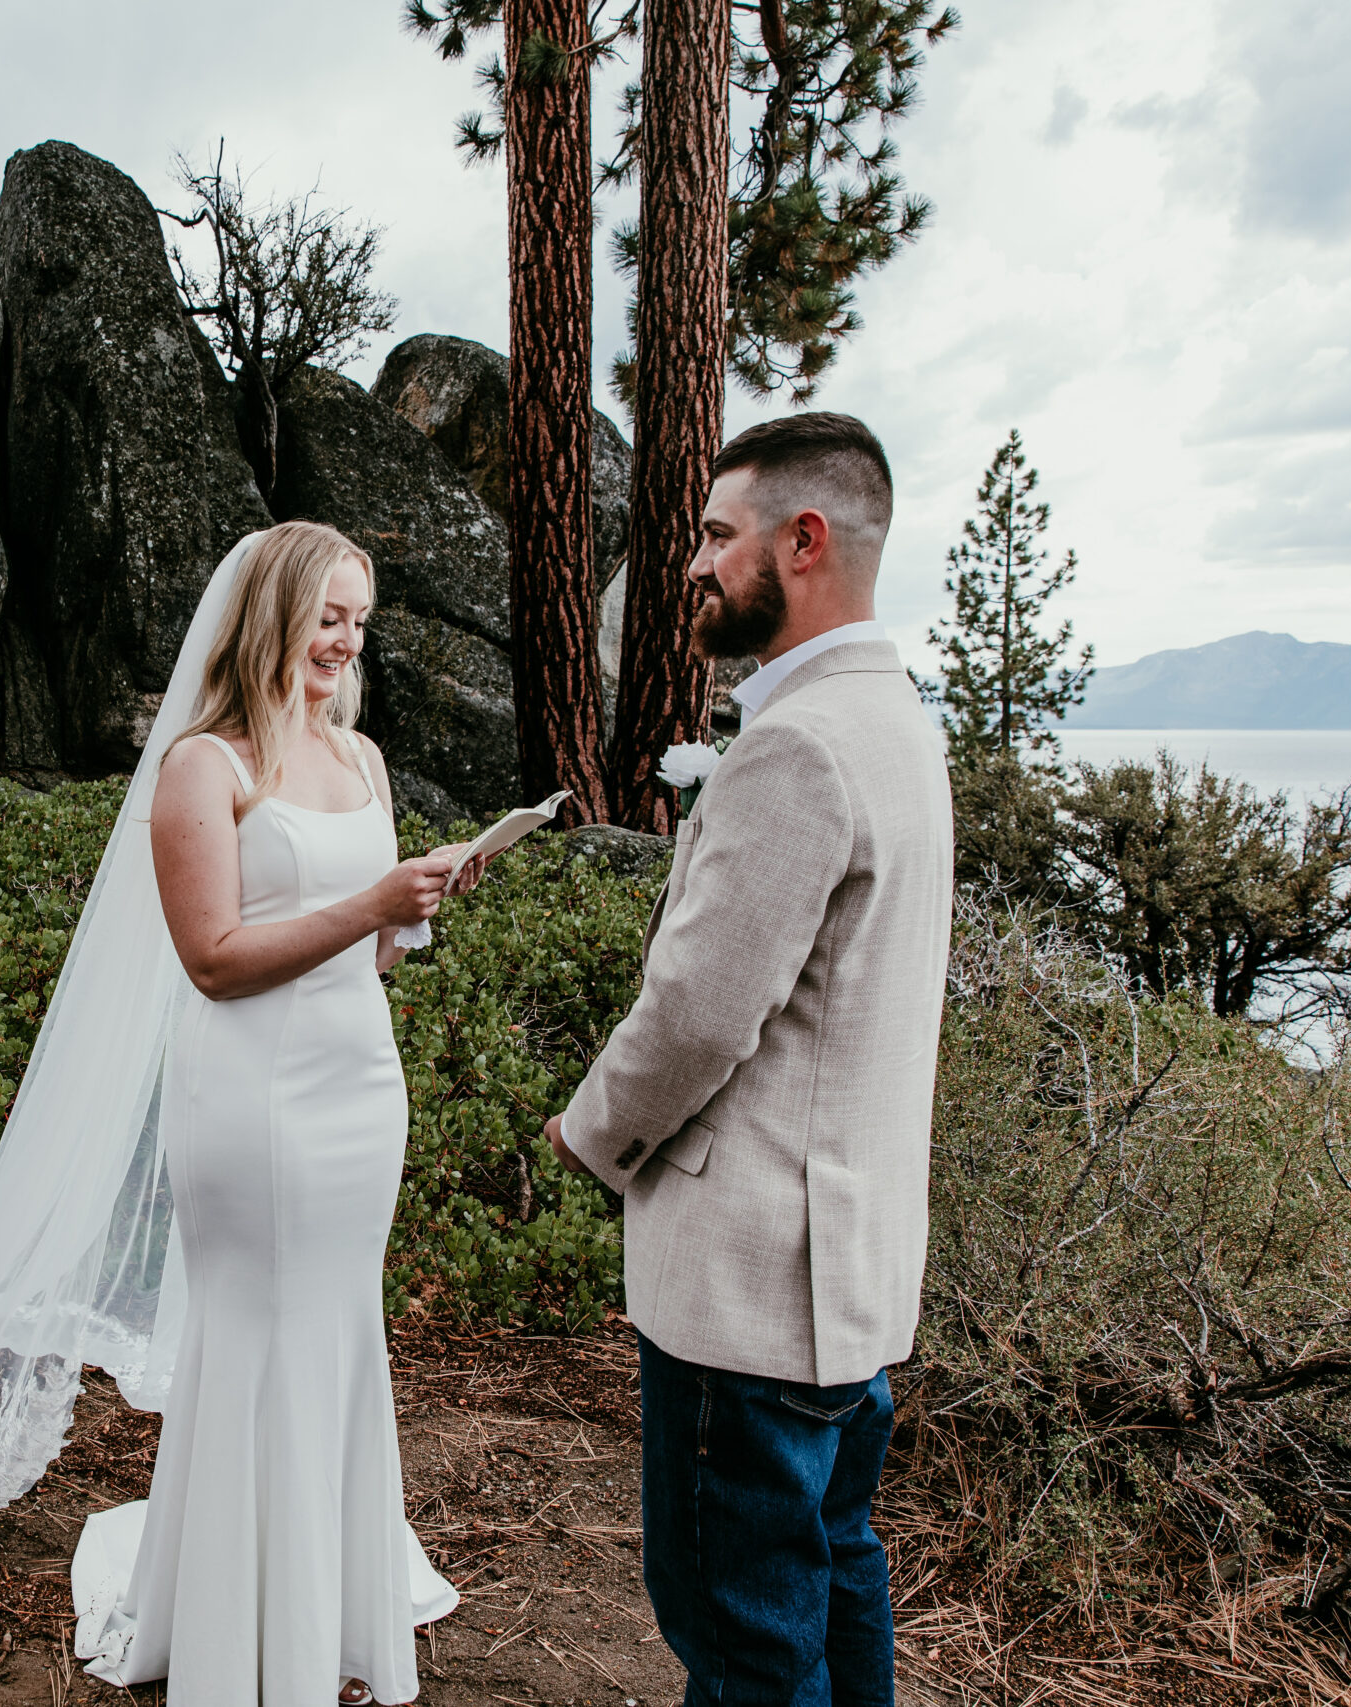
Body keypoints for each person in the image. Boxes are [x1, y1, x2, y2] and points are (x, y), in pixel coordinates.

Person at [546, 412, 954, 1707]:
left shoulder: (795, 745)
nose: (695, 563)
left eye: (720, 534)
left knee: (738, 1633)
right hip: (850, 1275)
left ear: (807, 539)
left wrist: (586, 1133)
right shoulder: (896, 721)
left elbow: (698, 1015)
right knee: (833, 1575)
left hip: (755, 1286)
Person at [73, 520, 474, 1704]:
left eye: (360, 622)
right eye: (328, 617)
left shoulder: (363, 761)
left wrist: (413, 912)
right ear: (272, 615)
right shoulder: (207, 765)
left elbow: (373, 958)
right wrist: (368, 906)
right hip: (249, 1097)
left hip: (359, 1086)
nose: (346, 642)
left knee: (339, 1331)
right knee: (262, 1335)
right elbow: (213, 958)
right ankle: (250, 1635)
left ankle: (331, 1624)